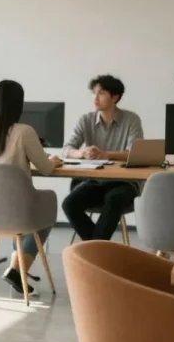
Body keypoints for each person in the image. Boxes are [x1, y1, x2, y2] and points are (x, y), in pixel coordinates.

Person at [0, 80, 61, 296]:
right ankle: (16, 270)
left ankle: (16, 268)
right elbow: (46, 168)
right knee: (44, 214)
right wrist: (55, 160)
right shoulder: (24, 132)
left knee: (25, 210)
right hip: (16, 211)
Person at [62, 74, 144, 241]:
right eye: (94, 93)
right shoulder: (85, 120)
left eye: (101, 93)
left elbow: (135, 153)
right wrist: (82, 153)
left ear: (115, 97)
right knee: (69, 204)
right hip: (94, 181)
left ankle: (95, 250)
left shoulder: (131, 119)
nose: (95, 98)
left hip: (125, 182)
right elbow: (67, 149)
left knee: (113, 198)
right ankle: (99, 248)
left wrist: (106, 154)